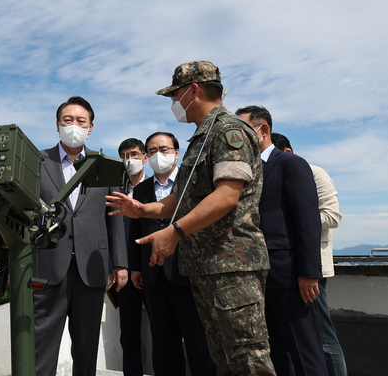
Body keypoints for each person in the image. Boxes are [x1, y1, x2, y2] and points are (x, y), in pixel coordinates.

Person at [106, 61, 275, 376]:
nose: (174, 103)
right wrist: (141, 210)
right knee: (224, 360)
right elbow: (178, 200)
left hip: (232, 269)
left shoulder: (229, 129)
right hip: (206, 269)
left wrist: (174, 233)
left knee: (248, 361)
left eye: (175, 95)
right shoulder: (202, 136)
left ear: (193, 91)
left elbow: (227, 195)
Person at [34, 96, 128, 376]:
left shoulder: (107, 165)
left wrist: (120, 262)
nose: (74, 125)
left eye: (80, 121)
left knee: (87, 350)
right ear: (57, 125)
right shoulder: (38, 162)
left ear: (91, 127)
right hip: (46, 267)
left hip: (92, 267)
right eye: (68, 120)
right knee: (41, 347)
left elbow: (114, 215)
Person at [235, 106, 327, 376]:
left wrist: (309, 273)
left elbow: (307, 221)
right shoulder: (243, 171)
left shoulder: (290, 164)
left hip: (289, 278)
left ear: (263, 130)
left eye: (242, 130)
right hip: (254, 279)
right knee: (273, 355)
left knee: (305, 352)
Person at [129, 132, 215, 376]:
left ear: (177, 153)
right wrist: (136, 267)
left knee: (199, 342)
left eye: (164, 149)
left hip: (189, 273)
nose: (159, 155)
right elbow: (135, 230)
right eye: (153, 151)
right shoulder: (142, 189)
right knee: (164, 344)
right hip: (153, 276)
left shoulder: (192, 182)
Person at [271, 133, 348, 376]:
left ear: (288, 153)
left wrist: (297, 220)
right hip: (282, 269)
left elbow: (332, 215)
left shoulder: (314, 172)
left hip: (310, 266)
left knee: (322, 339)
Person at [116, 138, 149, 376]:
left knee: (163, 329)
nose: (130, 160)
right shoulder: (114, 192)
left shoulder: (156, 188)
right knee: (128, 332)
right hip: (124, 271)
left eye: (135, 154)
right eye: (125, 155)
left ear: (145, 157)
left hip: (153, 267)